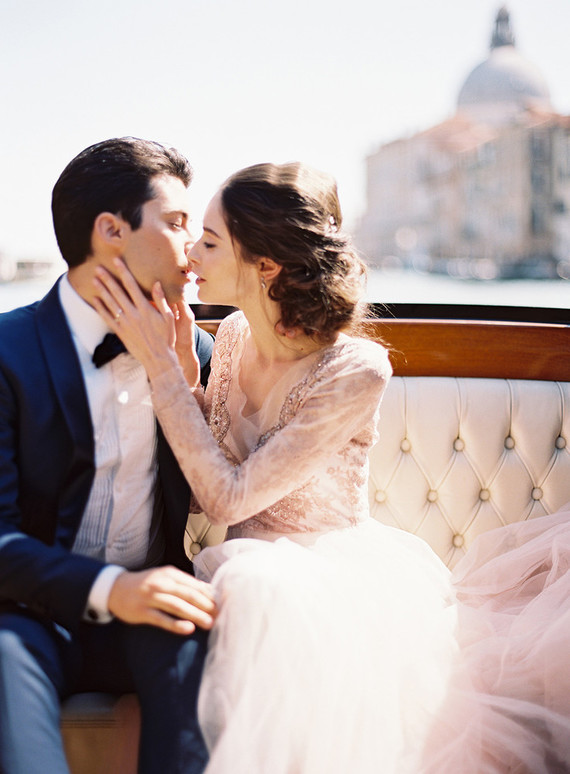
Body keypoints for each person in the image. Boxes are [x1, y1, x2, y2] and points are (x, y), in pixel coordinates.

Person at [93, 161, 570, 774]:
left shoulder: (357, 369)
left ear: (266, 265)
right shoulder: (232, 334)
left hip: (324, 576)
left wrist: (164, 374)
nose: (190, 253)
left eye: (209, 241)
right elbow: (201, 479)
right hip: (242, 567)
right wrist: (187, 372)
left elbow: (229, 499)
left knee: (261, 594)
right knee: (238, 599)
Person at [0, 137, 217, 774]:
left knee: (194, 645)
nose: (193, 246)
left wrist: (182, 382)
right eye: (176, 223)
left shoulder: (199, 352)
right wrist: (112, 590)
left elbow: (219, 493)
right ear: (111, 231)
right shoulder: (6, 355)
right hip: (26, 613)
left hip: (157, 606)